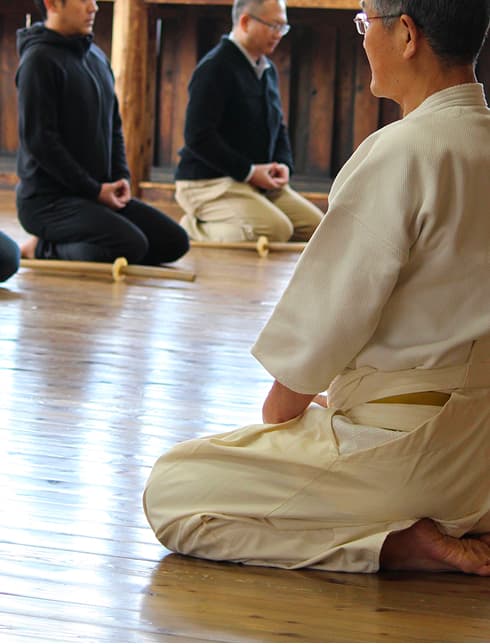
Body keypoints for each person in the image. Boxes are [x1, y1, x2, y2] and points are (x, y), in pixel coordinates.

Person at [144, 0, 490, 576]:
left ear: (406, 33)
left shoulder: (403, 152)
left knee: (173, 491)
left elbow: (326, 323)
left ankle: (397, 543)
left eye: (365, 25)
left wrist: (286, 419)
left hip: (414, 459)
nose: (362, 40)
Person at [15, 0, 189, 265]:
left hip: (95, 195)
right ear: (52, 4)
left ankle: (87, 234)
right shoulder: (38, 61)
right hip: (48, 203)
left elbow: (114, 126)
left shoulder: (96, 56)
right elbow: (42, 143)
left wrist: (121, 177)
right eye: (84, 0)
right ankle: (43, 248)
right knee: (131, 244)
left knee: (174, 241)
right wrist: (94, 189)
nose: (94, 7)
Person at [174, 0, 324, 243]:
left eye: (283, 28)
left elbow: (279, 126)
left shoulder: (267, 70)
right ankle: (194, 228)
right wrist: (249, 171)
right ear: (245, 22)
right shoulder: (215, 67)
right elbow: (197, 137)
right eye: (273, 26)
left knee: (318, 229)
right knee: (276, 230)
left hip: (254, 182)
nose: (279, 35)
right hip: (208, 182)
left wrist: (284, 164)